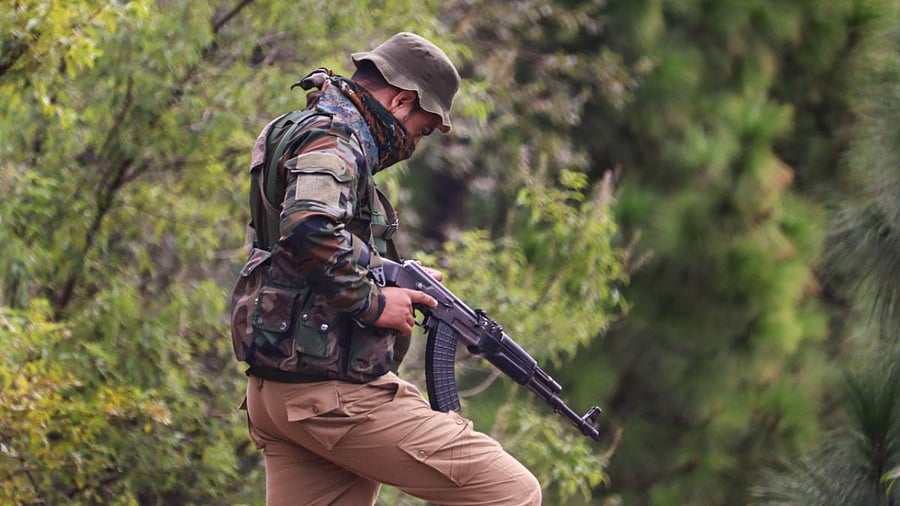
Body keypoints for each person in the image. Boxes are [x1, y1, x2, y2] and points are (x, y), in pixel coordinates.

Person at [229, 32, 542, 505]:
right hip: (330, 399)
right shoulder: (334, 139)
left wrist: (385, 270)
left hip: (278, 392)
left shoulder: (298, 129)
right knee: (511, 493)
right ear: (400, 100)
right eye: (422, 128)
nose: (416, 143)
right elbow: (308, 228)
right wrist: (375, 301)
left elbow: (293, 250)